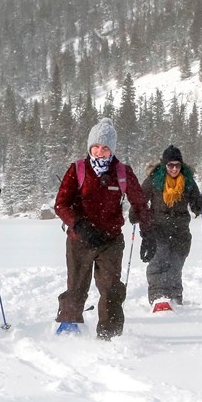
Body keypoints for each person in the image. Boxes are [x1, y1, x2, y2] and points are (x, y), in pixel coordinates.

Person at [54, 117, 151, 340]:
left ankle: (110, 335)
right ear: (90, 147)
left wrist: (147, 231)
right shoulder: (77, 169)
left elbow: (140, 203)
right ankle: (69, 326)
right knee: (76, 286)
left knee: (111, 289)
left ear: (112, 150)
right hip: (80, 239)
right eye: (96, 147)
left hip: (111, 240)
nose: (99, 151)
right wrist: (79, 224)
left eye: (105, 147)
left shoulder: (122, 172)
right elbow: (61, 204)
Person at [137, 145, 202, 310]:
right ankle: (158, 296)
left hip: (180, 230)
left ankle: (175, 297)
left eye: (177, 165)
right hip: (158, 228)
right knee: (158, 263)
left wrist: (201, 204)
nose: (174, 169)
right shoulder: (154, 180)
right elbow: (140, 200)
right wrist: (138, 214)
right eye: (170, 165)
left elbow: (196, 204)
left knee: (176, 264)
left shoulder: (188, 181)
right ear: (164, 165)